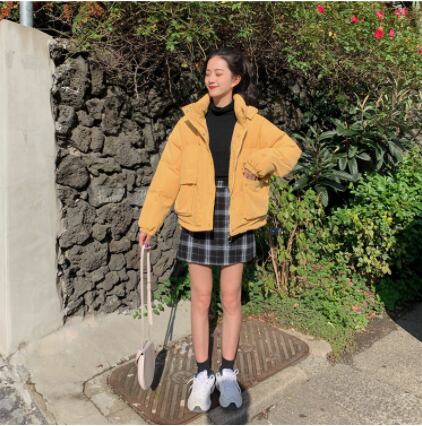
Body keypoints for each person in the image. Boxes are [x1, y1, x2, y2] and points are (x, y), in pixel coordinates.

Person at [138, 47, 302, 413]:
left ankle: (227, 373)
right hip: (198, 212)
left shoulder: (253, 122)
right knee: (200, 299)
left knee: (230, 299)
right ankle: (202, 374)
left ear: (236, 79)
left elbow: (289, 150)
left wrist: (260, 163)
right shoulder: (189, 123)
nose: (210, 79)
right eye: (208, 73)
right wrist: (149, 222)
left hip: (236, 212)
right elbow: (167, 175)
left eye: (218, 73)